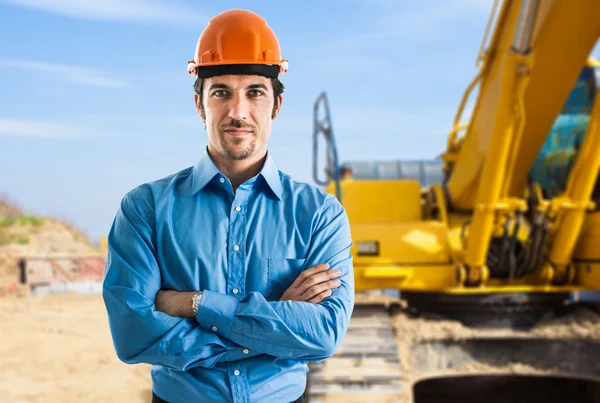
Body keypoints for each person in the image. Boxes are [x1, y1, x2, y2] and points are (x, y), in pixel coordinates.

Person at [102, 8, 355, 403]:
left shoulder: (320, 214)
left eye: (255, 92)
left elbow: (323, 334)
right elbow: (133, 335)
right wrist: (272, 327)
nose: (238, 112)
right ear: (199, 104)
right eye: (221, 92)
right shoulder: (145, 209)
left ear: (276, 106)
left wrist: (195, 304)